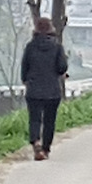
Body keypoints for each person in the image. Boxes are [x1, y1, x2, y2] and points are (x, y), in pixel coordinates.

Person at [21, 16, 68, 161]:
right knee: (49, 121)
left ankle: (36, 142)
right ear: (51, 29)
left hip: (34, 89)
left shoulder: (30, 46)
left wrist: (26, 81)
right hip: (52, 91)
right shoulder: (57, 47)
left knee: (34, 119)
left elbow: (24, 67)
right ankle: (46, 149)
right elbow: (62, 68)